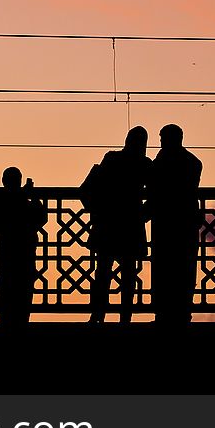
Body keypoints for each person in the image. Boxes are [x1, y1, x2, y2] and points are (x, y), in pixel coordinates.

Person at [82, 126, 152, 323]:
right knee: (128, 274)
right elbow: (156, 192)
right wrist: (143, 214)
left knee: (103, 271)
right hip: (131, 225)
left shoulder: (111, 158)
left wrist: (98, 211)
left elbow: (93, 185)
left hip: (107, 223)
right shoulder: (145, 164)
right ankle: (125, 318)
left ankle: (97, 315)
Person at [147, 124, 203, 324]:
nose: (160, 142)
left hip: (165, 223)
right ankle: (183, 311)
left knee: (165, 268)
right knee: (185, 267)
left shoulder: (161, 162)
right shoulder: (193, 162)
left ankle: (164, 313)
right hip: (186, 221)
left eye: (162, 138)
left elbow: (155, 189)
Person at [0, 167, 47, 325]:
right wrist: (30, 196)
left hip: (8, 253)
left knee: (9, 291)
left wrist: (28, 197)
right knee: (23, 292)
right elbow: (41, 218)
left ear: (3, 181)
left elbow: (40, 218)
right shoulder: (5, 200)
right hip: (23, 252)